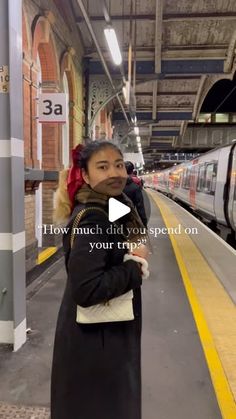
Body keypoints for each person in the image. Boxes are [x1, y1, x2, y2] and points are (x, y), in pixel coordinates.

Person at [51, 140, 149, 419]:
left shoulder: (110, 205)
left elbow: (127, 228)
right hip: (98, 347)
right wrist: (137, 267)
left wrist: (129, 246)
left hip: (102, 338)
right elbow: (87, 287)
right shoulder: (94, 219)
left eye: (118, 165)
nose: (115, 173)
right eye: (102, 167)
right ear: (85, 175)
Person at [123, 161, 148, 227]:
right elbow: (140, 207)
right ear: (132, 171)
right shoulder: (135, 188)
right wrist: (144, 223)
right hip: (129, 220)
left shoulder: (113, 186)